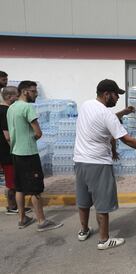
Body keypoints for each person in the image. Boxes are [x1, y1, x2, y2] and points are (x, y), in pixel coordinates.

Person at [73, 79, 136, 250]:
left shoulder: (86, 105)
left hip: (79, 161)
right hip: (98, 163)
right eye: (116, 95)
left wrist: (123, 112)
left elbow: (104, 121)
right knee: (102, 202)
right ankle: (104, 239)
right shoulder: (106, 114)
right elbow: (127, 139)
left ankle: (83, 231)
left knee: (84, 200)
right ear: (107, 94)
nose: (117, 99)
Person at [7, 80, 63, 231]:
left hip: (16, 152)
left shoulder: (11, 108)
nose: (36, 94)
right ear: (25, 91)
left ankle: (22, 218)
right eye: (33, 91)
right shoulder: (27, 108)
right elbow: (38, 133)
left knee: (20, 187)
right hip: (29, 153)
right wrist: (33, 138)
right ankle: (41, 221)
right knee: (35, 189)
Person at [1, 86, 32, 214]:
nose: (18, 98)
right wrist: (15, 149)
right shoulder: (5, 111)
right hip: (8, 151)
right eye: (16, 96)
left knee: (11, 180)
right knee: (12, 181)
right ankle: (12, 206)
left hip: (4, 151)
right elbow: (7, 135)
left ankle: (14, 206)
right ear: (9, 97)